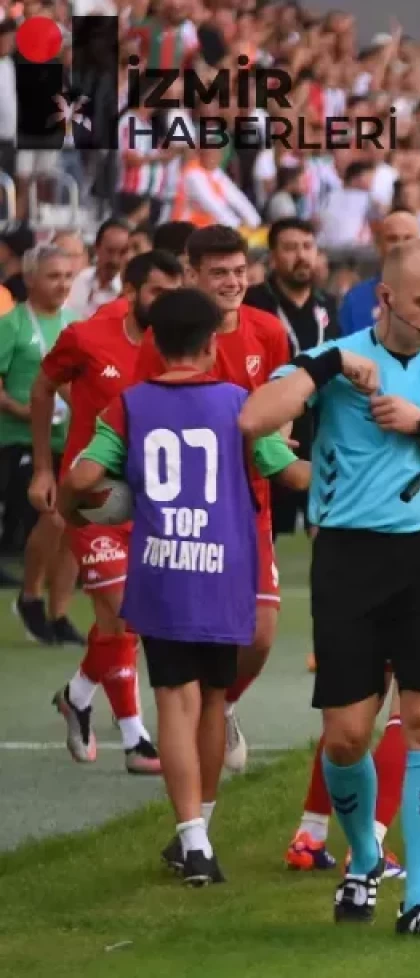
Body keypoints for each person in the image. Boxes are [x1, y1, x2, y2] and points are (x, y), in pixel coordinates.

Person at [241, 239, 420, 938]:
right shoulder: (340, 356)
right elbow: (254, 420)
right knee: (348, 737)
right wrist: (324, 362)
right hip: (349, 557)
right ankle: (362, 856)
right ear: (385, 299)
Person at [59, 288, 307, 886]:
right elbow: (288, 471)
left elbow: (86, 475)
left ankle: (192, 840)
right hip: (224, 572)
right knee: (216, 701)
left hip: (163, 569)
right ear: (211, 343)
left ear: (154, 341)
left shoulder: (130, 405)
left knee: (175, 700)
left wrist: (73, 504)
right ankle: (204, 827)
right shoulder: (239, 404)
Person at [132, 226, 293, 775]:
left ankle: (222, 707)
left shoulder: (268, 331)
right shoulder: (166, 339)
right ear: (193, 272)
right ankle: (189, 731)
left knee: (262, 634)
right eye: (218, 272)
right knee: (181, 646)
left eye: (238, 271)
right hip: (185, 512)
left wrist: (277, 435)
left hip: (251, 501)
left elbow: (281, 399)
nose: (232, 282)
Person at [36, 250, 183, 774]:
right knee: (123, 611)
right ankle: (136, 738)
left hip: (151, 502)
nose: (165, 304)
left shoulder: (177, 346)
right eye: (157, 294)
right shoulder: (89, 335)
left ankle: (77, 696)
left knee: (125, 620)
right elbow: (43, 385)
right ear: (133, 290)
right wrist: (45, 471)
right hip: (92, 500)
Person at [0, 243, 82, 645]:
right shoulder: (11, 325)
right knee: (52, 518)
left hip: (68, 438)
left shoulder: (74, 324)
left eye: (68, 276)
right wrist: (25, 411)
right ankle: (31, 597)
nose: (62, 284)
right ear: (30, 279)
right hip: (20, 440)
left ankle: (60, 612)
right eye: (53, 276)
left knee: (75, 526)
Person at [244, 218, 339, 540]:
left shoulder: (328, 305)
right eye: (290, 248)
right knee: (259, 533)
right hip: (272, 432)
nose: (301, 256)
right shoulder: (253, 303)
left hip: (321, 433)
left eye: (307, 247)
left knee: (330, 535)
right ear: (272, 256)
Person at [336, 209, 420, 337]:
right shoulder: (355, 299)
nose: (400, 246)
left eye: (408, 238)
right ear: (379, 245)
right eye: (392, 239)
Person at [66, 219, 131, 322]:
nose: (114, 259)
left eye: (122, 252)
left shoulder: (129, 293)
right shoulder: (78, 280)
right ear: (97, 247)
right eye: (110, 251)